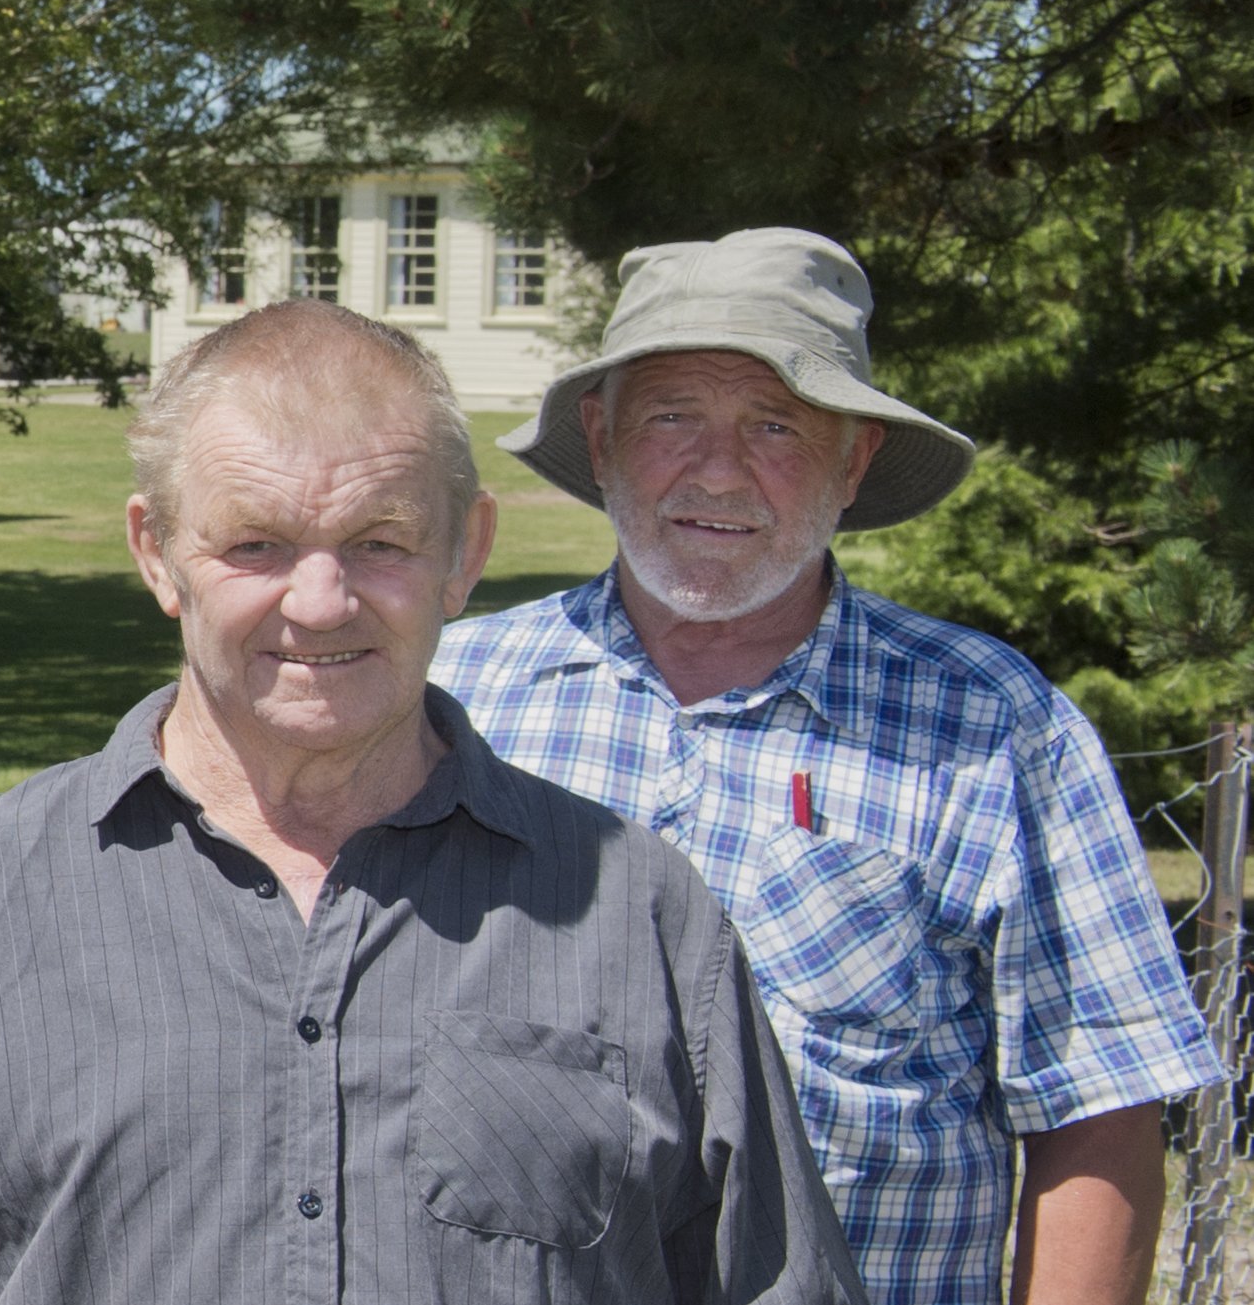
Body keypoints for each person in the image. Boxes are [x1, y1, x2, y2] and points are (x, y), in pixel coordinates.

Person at [0, 301, 858, 1303]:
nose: (318, 601)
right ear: (155, 551)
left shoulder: (637, 915)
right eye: (254, 544)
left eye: (379, 540)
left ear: (463, 553)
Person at [436, 229, 1226, 1305]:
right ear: (601, 436)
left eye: (774, 424)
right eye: (671, 415)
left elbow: (1100, 1107)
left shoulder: (993, 725)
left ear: (851, 458)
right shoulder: (451, 697)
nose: (716, 469)